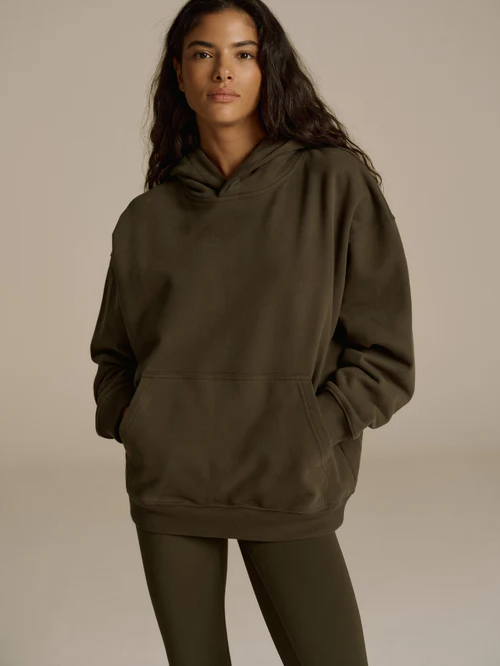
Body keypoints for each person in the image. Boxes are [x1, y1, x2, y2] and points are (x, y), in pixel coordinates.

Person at [89, 0, 415, 663]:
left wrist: (312, 431)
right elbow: (115, 355)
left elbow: (385, 355)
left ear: (270, 69)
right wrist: (137, 421)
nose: (223, 71)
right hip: (172, 483)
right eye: (203, 53)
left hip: (286, 478)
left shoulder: (334, 183)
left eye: (244, 53)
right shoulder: (146, 218)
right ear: (179, 73)